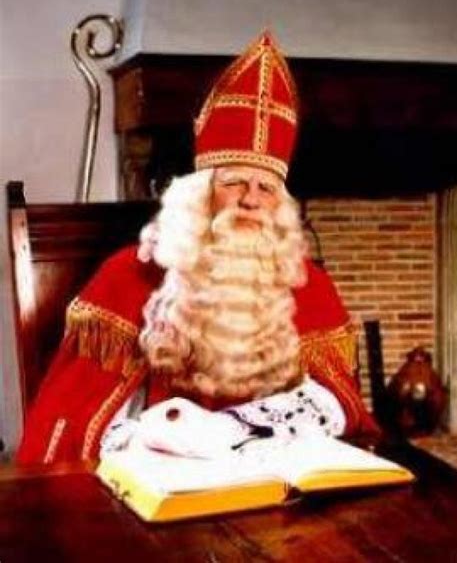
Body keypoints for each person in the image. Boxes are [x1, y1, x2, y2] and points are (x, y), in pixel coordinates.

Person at [17, 32, 378, 465]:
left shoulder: (311, 285)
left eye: (266, 188)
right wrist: (167, 437)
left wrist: (235, 428)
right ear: (199, 195)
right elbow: (76, 420)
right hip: (161, 478)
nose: (251, 199)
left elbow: (337, 404)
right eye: (234, 182)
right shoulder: (127, 275)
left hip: (271, 479)